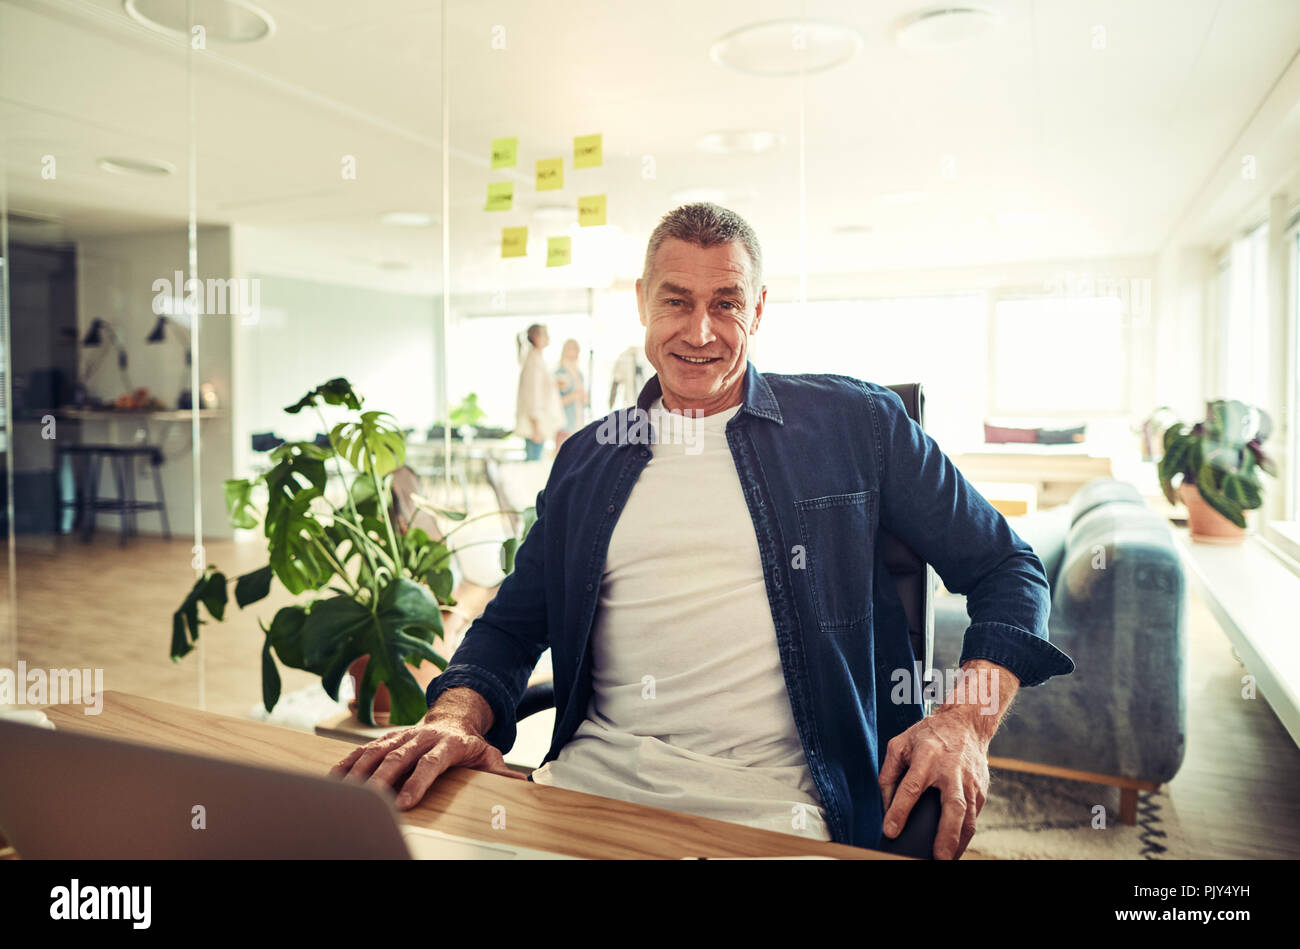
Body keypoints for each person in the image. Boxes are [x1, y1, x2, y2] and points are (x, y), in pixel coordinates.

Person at [333, 202, 1075, 857]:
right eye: (676, 300)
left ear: (757, 311)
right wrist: (455, 713)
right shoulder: (589, 457)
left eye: (726, 303)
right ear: (641, 303)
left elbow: (1008, 569)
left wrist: (965, 722)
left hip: (786, 817)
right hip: (585, 797)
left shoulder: (860, 425)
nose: (699, 330)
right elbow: (511, 623)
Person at [513, 324, 563, 461]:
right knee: (533, 466)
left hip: (539, 424)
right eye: (545, 334)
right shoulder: (533, 362)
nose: (548, 338)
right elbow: (533, 395)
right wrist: (536, 427)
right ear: (536, 337)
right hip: (535, 426)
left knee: (535, 462)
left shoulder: (537, 359)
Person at [554, 339, 587, 449]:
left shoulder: (579, 374)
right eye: (571, 348)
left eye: (576, 349)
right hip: (564, 424)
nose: (574, 352)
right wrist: (574, 396)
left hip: (577, 423)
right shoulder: (560, 373)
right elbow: (554, 402)